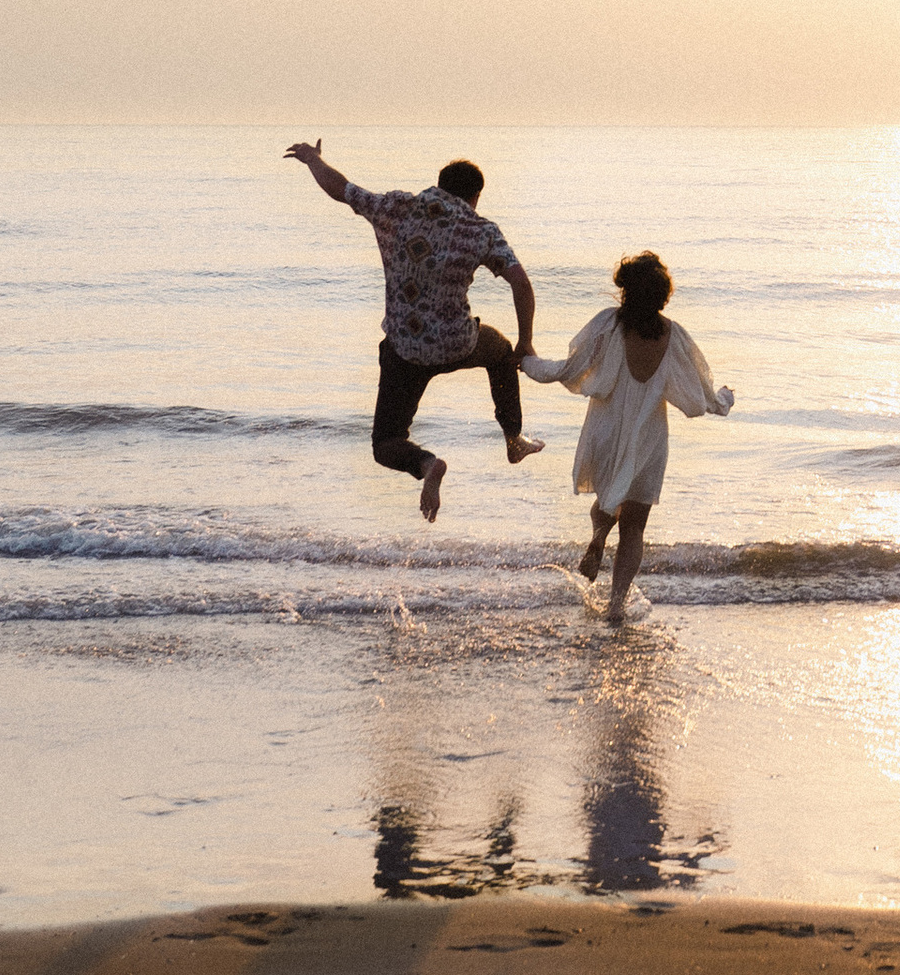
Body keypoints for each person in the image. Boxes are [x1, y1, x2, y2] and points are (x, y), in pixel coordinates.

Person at [286, 139, 543, 523]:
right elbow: (521, 285)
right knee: (503, 350)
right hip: (458, 342)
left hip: (405, 348)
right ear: (475, 197)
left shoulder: (394, 207)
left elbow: (340, 188)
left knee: (386, 443)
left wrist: (313, 159)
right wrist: (526, 342)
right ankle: (513, 439)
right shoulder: (481, 229)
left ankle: (426, 465)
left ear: (439, 184)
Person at [529, 250, 731, 621]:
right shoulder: (674, 335)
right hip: (649, 439)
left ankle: (597, 540)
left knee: (607, 501)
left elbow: (571, 368)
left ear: (625, 291)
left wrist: (528, 361)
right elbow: (698, 393)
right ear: (662, 296)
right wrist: (723, 400)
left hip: (606, 429)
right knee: (635, 526)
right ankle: (616, 605)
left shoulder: (608, 326)